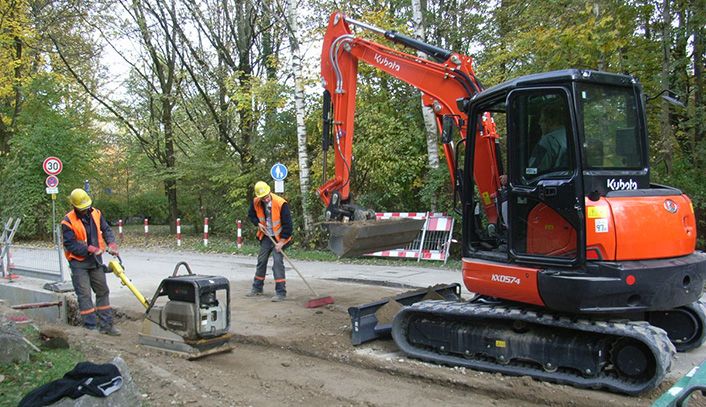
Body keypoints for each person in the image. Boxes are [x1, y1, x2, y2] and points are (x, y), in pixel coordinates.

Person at [61, 188, 121, 336]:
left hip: (96, 262)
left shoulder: (96, 213)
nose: (85, 210)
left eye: (87, 207)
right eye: (82, 209)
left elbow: (106, 229)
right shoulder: (67, 222)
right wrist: (91, 249)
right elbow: (71, 245)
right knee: (84, 294)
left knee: (102, 291)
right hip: (79, 263)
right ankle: (91, 327)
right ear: (74, 206)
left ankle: (106, 325)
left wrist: (111, 244)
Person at [246, 181, 293, 302]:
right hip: (266, 236)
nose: (265, 199)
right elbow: (251, 215)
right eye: (262, 198)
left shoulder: (281, 203)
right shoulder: (256, 202)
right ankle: (257, 288)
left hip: (280, 237)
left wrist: (281, 242)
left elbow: (288, 225)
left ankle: (280, 292)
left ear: (269, 192)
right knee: (261, 260)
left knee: (277, 262)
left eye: (266, 197)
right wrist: (258, 224)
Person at [527, 101, 569, 174]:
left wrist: (516, 176)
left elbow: (533, 171)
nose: (539, 124)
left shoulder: (548, 140)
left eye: (541, 120)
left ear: (549, 121)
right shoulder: (568, 135)